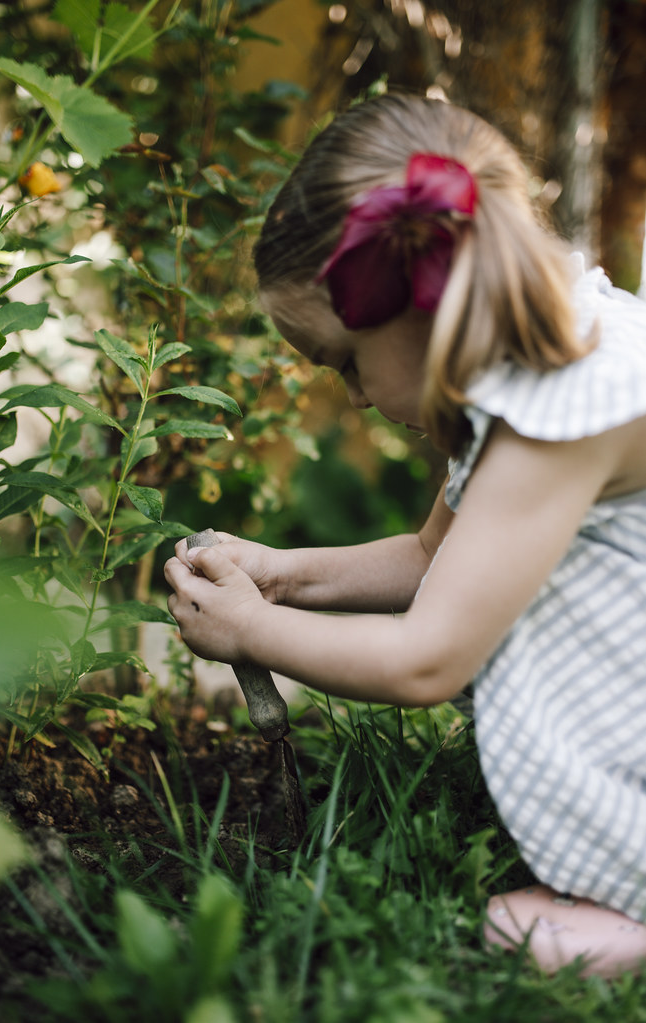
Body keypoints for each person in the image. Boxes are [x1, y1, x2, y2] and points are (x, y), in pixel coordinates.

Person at [165, 92, 646, 978]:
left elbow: (427, 661)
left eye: (346, 362)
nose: (352, 398)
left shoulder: (560, 414)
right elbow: (433, 559)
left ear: (428, 305)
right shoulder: (549, 357)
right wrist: (281, 574)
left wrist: (249, 630)